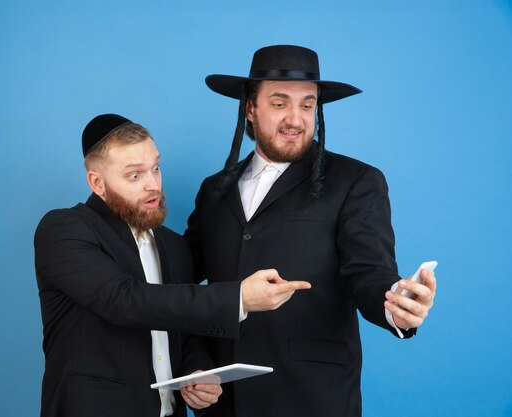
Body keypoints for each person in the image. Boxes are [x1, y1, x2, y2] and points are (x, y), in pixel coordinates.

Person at [183, 45, 438, 417]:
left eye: (307, 105)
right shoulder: (214, 189)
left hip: (312, 398)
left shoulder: (355, 181)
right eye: (279, 103)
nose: (296, 119)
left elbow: (368, 271)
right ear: (250, 108)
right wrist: (195, 364)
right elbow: (184, 288)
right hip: (225, 402)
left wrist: (395, 303)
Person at [33, 113, 311, 417]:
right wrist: (239, 298)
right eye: (134, 175)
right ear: (97, 183)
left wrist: (198, 372)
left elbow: (182, 329)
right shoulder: (64, 229)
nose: (153, 185)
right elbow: (125, 301)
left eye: (155, 168)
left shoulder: (174, 246)